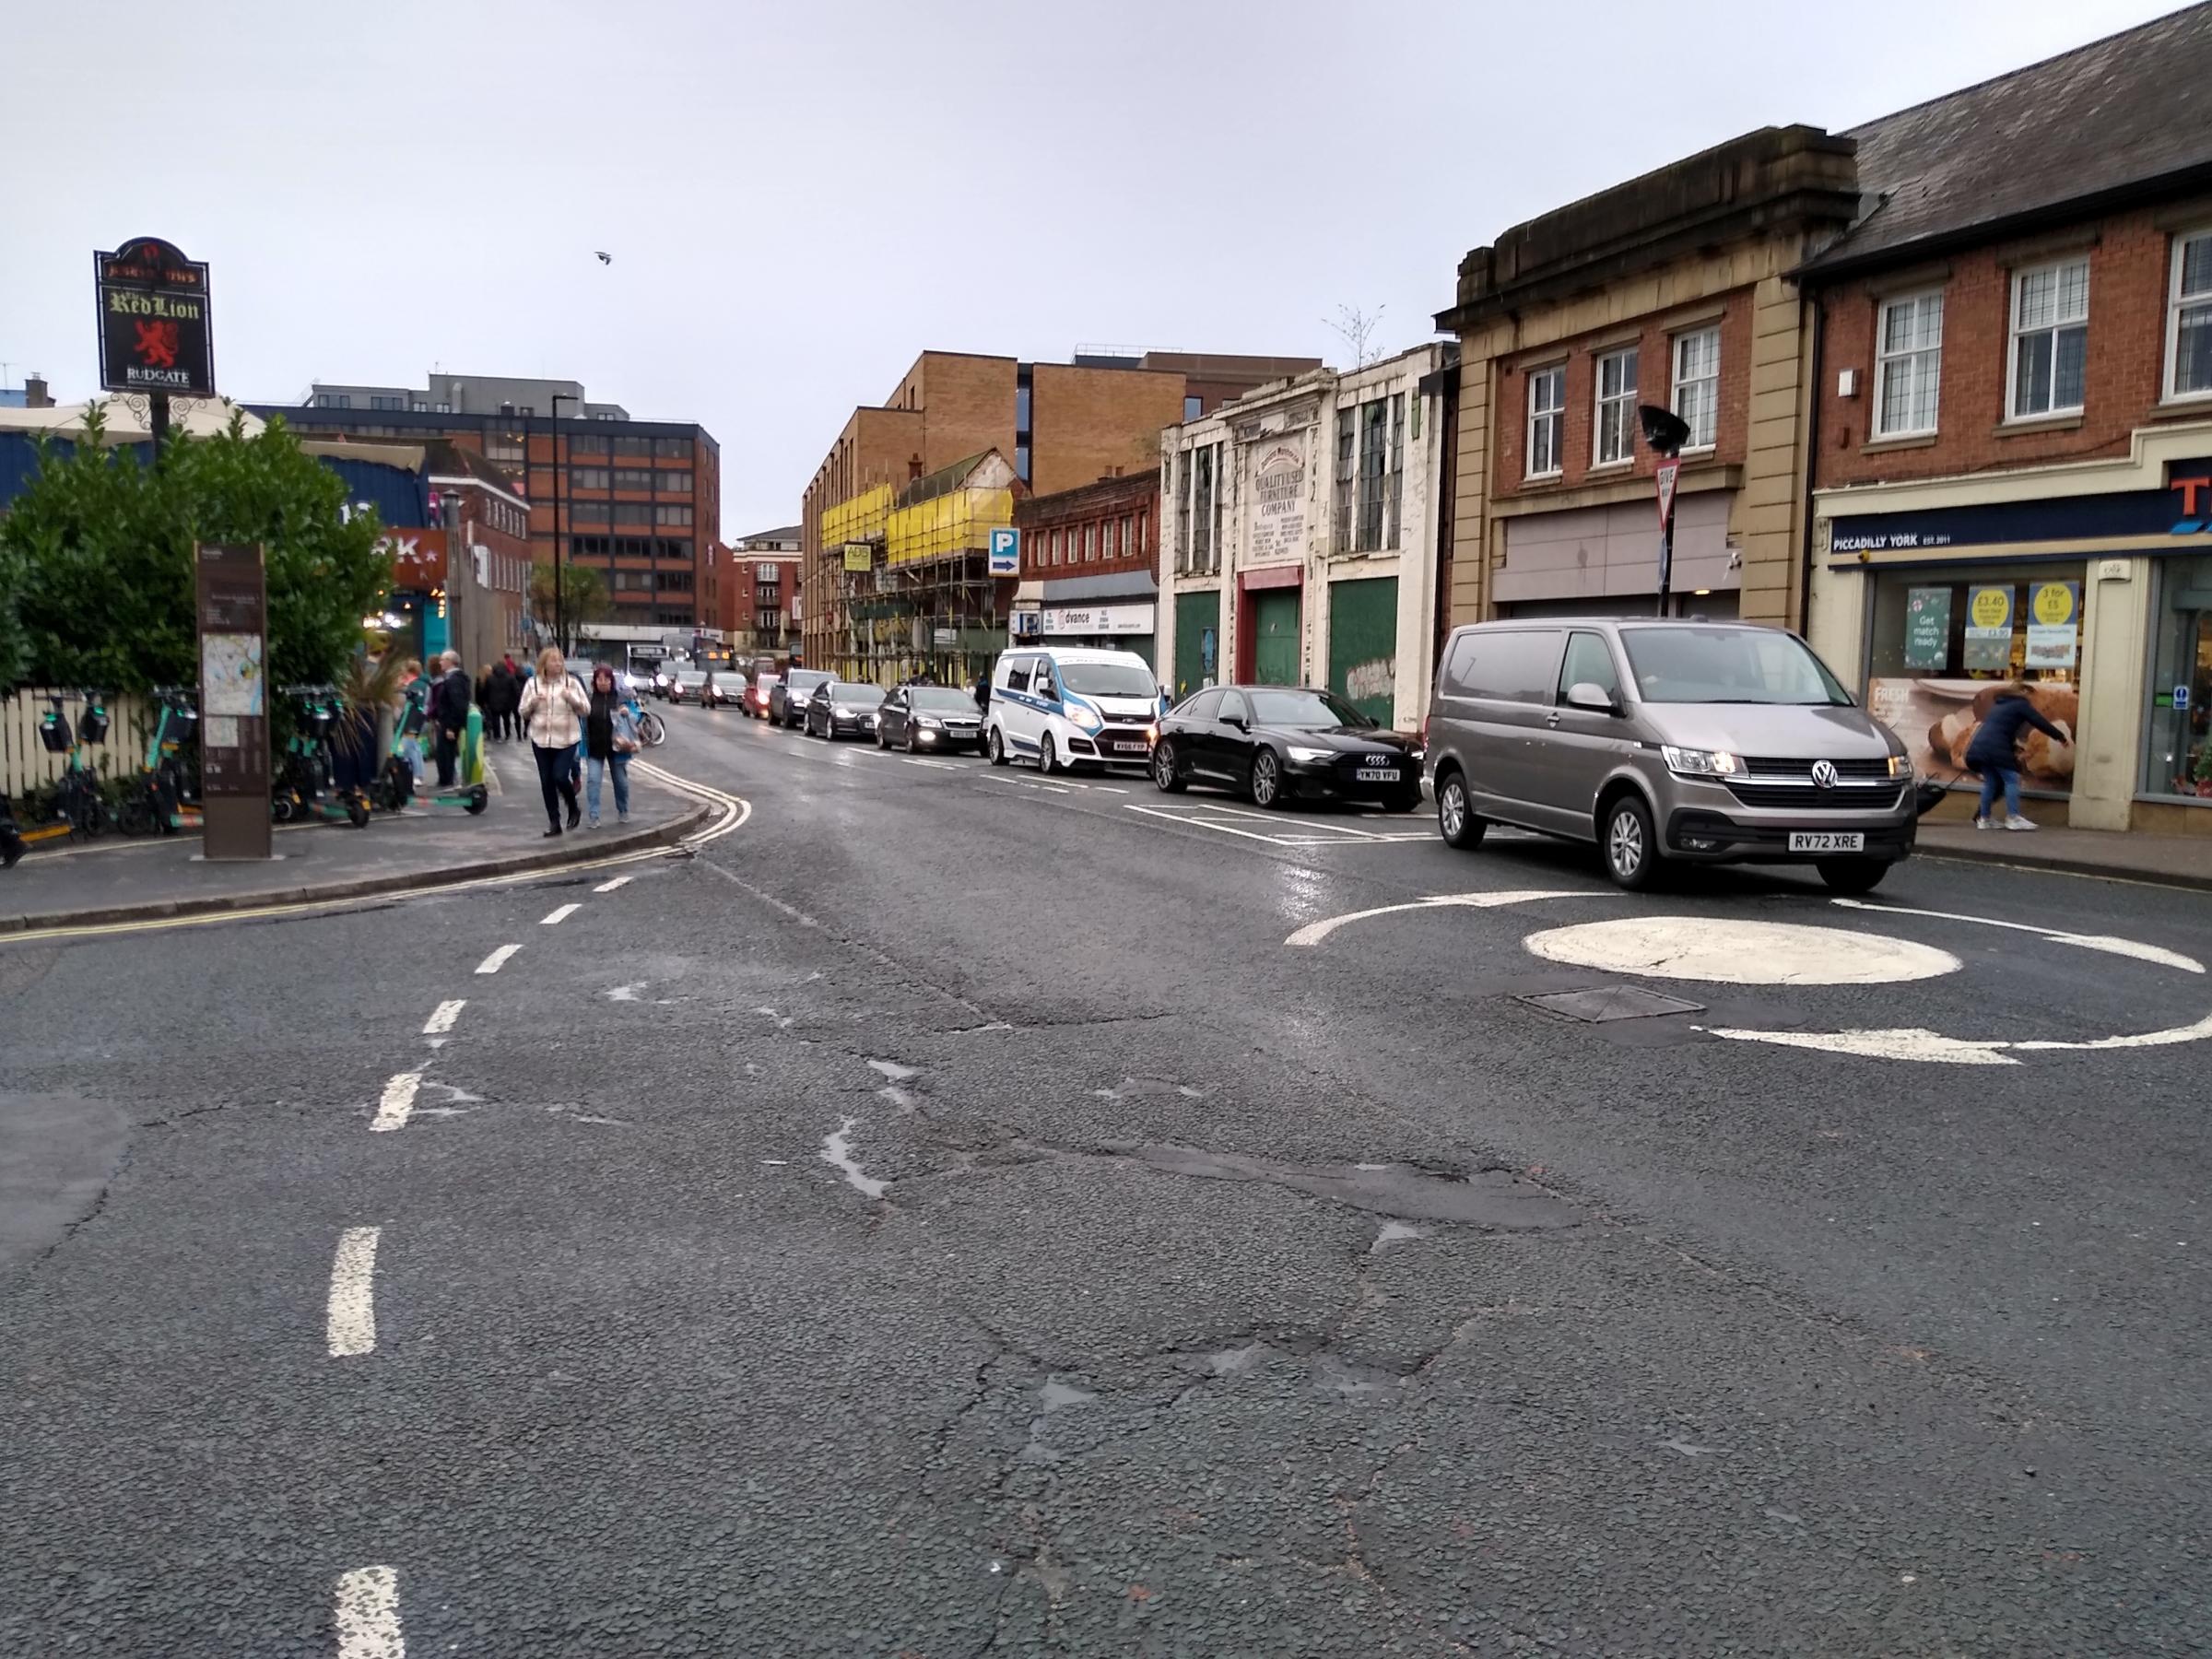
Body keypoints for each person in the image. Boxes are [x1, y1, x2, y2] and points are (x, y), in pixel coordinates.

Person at [1966, 684, 2067, 831]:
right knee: (2012, 779)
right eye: (2032, 696)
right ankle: (2013, 818)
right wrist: (2060, 737)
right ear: (2024, 692)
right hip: (1995, 747)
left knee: (1991, 783)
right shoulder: (2020, 704)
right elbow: (2038, 721)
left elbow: (2000, 729)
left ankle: (1984, 818)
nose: (2033, 700)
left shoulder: (1998, 705)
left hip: (1979, 747)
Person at [518, 646, 588, 835]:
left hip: (566, 738)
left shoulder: (571, 683)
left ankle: (573, 807)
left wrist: (571, 699)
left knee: (559, 776)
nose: (558, 663)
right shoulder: (532, 684)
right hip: (541, 740)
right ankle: (554, 822)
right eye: (554, 660)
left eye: (560, 660)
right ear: (544, 664)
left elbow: (585, 710)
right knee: (546, 781)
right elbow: (522, 712)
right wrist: (532, 703)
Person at [583, 664, 641, 828]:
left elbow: (637, 715)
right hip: (595, 747)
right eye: (599, 679)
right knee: (593, 781)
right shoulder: (589, 699)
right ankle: (594, 816)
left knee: (621, 782)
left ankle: (623, 810)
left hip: (618, 748)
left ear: (612, 681)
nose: (603, 682)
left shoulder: (621, 698)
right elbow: (582, 722)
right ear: (594, 682)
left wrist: (627, 713)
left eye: (606, 679)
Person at [431, 651, 473, 789]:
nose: (440, 662)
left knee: (445, 753)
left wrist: (451, 726)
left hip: (449, 724)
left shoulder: (454, 680)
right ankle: (445, 780)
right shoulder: (453, 679)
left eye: (443, 659)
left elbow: (457, 704)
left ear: (450, 661)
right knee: (443, 753)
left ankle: (446, 781)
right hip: (446, 722)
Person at [486, 656, 516, 741]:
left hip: (494, 702)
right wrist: (513, 701)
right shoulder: (510, 678)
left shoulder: (490, 678)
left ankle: (497, 735)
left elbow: (486, 691)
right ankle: (507, 733)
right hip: (507, 702)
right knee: (506, 719)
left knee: (495, 719)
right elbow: (515, 690)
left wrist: (487, 701)